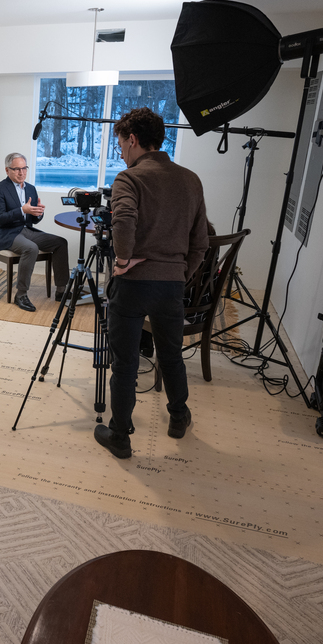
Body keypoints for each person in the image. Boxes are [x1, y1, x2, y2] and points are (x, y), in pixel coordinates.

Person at [94, 108, 208, 459]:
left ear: (132, 140)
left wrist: (124, 261)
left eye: (121, 145)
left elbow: (123, 220)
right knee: (171, 354)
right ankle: (178, 416)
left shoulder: (129, 178)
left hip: (133, 285)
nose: (122, 154)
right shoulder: (190, 179)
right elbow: (200, 242)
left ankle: (120, 437)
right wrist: (179, 274)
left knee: (125, 363)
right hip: (171, 286)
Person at [0, 152, 70, 312]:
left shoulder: (31, 188)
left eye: (24, 168)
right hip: (6, 233)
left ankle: (61, 291)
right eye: (17, 169)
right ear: (7, 170)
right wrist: (21, 210)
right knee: (30, 248)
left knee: (60, 242)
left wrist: (38, 213)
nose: (21, 172)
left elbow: (32, 220)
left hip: (26, 230)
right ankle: (21, 294)